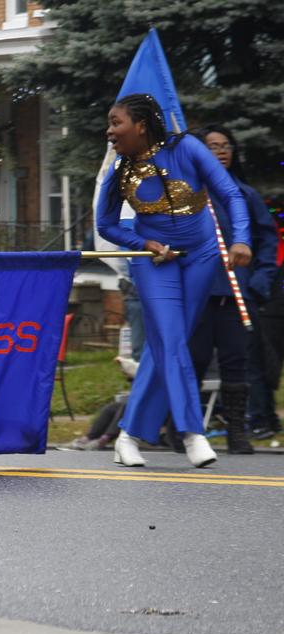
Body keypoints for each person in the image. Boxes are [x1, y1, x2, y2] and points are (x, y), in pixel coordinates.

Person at [96, 93, 252, 468]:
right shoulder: (119, 171)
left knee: (168, 344)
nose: (110, 131)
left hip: (200, 255)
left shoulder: (187, 149)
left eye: (116, 123)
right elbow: (106, 225)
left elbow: (229, 192)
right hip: (155, 260)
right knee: (170, 339)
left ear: (141, 125)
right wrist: (142, 242)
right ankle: (191, 431)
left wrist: (242, 237)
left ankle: (129, 435)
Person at [185, 125, 279, 453]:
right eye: (213, 146)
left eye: (226, 146)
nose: (222, 151)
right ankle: (184, 428)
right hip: (198, 293)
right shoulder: (189, 193)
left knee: (236, 361)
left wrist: (259, 281)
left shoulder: (244, 194)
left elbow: (267, 239)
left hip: (237, 293)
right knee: (193, 361)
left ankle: (236, 431)